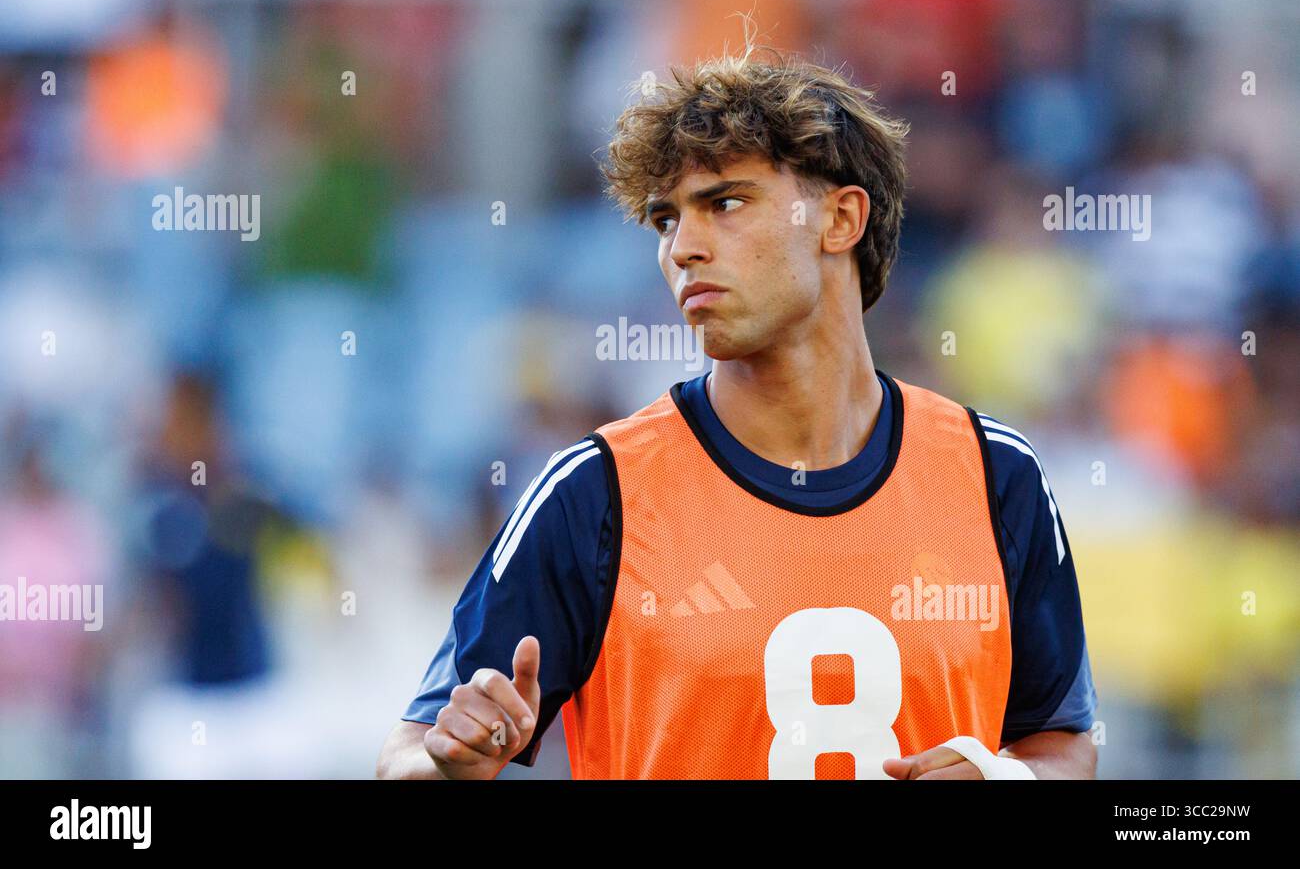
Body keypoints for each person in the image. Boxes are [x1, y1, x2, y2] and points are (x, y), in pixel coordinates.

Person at [377, 44, 1097, 779]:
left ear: (841, 218)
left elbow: (1064, 743)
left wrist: (1009, 777)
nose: (683, 248)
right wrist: (449, 762)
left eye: (724, 204)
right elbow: (409, 753)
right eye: (665, 220)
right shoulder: (596, 493)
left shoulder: (994, 474)